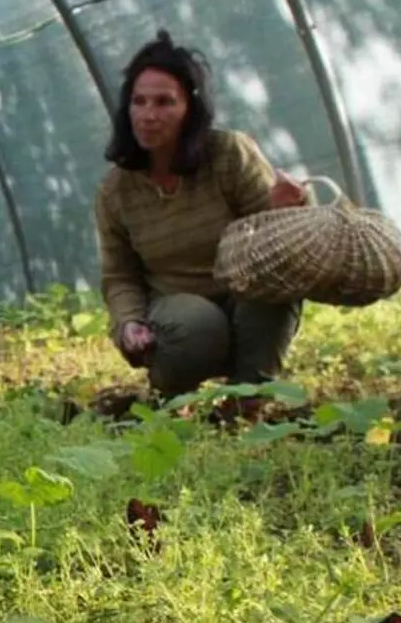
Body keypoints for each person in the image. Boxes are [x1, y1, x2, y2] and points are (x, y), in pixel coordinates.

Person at [93, 30, 310, 406]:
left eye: (164, 102)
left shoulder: (228, 155)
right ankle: (175, 400)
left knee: (275, 288)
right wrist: (128, 323)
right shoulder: (116, 192)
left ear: (190, 109)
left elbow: (277, 242)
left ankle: (247, 404)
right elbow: (120, 275)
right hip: (178, 313)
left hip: (243, 298)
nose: (148, 115)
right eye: (139, 101)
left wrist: (288, 208)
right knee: (196, 322)